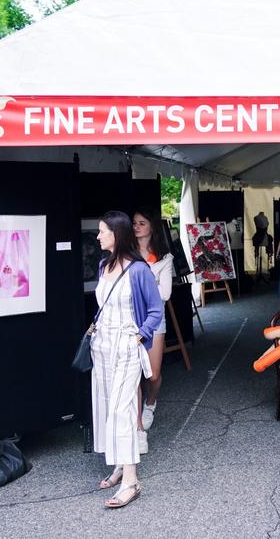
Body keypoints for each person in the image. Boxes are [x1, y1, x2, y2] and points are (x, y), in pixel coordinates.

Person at [91, 211, 164, 509]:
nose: (98, 236)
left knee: (123, 409)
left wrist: (139, 336)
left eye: (102, 231)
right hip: (102, 346)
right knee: (108, 406)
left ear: (116, 235)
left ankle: (131, 480)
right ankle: (120, 464)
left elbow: (156, 310)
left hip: (126, 346)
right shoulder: (103, 265)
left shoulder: (138, 269)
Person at [132, 208, 173, 435]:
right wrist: (152, 284)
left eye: (142, 223)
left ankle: (150, 403)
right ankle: (135, 415)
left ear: (152, 226)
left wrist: (140, 288)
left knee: (153, 374)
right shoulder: (126, 253)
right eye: (134, 223)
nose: (136, 227)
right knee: (132, 372)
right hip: (130, 318)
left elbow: (165, 294)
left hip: (155, 318)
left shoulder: (164, 257)